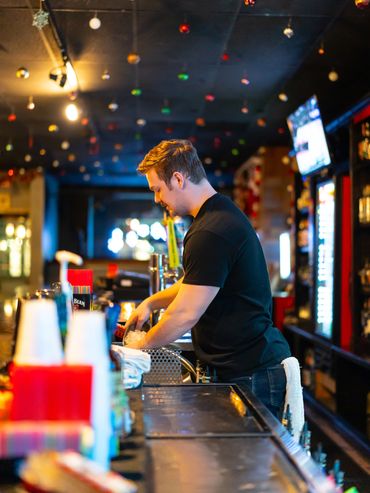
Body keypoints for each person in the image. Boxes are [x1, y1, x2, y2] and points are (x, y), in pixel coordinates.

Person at [124, 139, 291, 419]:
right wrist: (151, 303)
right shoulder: (217, 214)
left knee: (248, 462)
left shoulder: (210, 232)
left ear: (178, 179)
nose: (156, 199)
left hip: (251, 372)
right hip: (248, 367)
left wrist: (138, 348)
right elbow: (198, 281)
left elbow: (184, 315)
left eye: (157, 189)